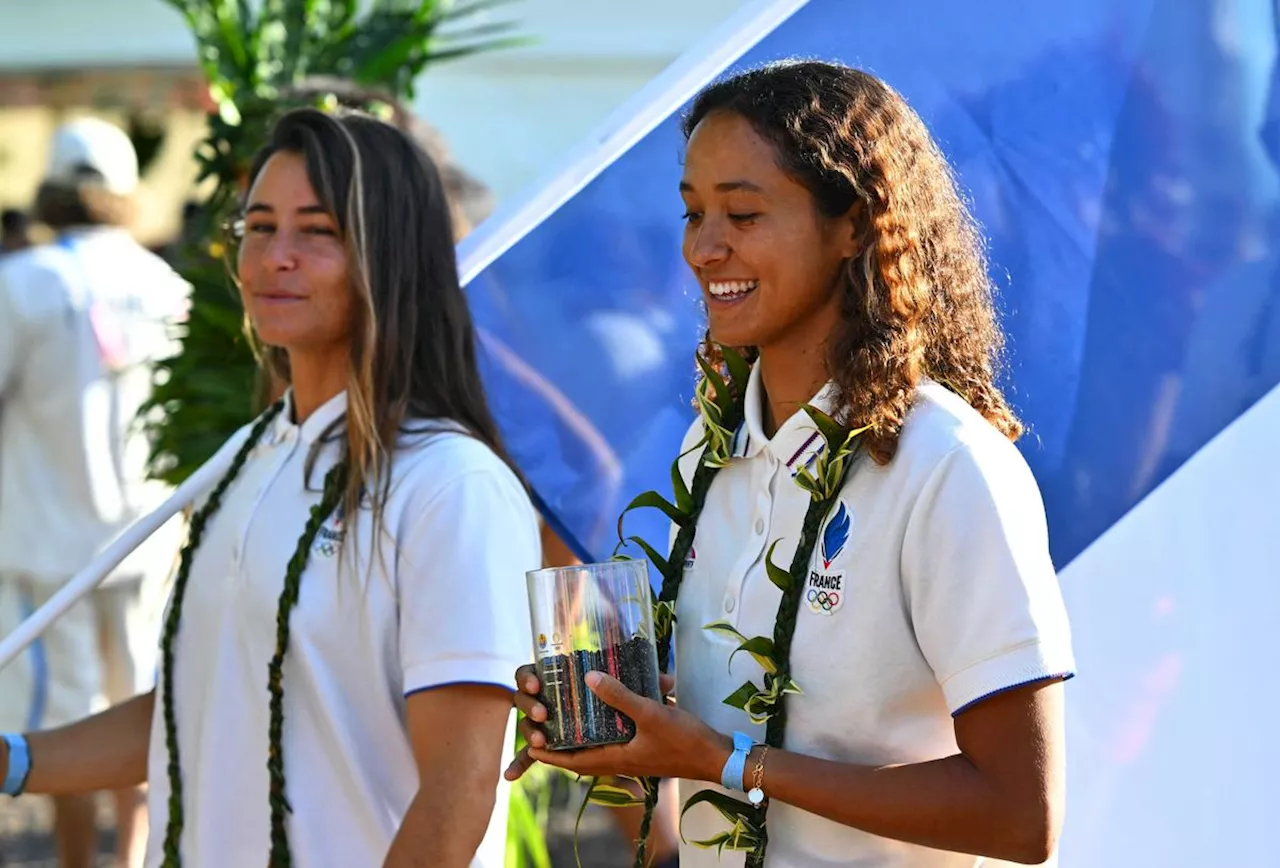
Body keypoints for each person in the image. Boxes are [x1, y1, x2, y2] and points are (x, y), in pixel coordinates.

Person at [507, 60, 1075, 868]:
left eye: (742, 212)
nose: (704, 249)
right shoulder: (711, 445)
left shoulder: (947, 466)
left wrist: (724, 761)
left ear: (853, 225)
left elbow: (1023, 818)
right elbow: (729, 733)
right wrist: (622, 719)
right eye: (692, 213)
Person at [0, 107, 539, 868]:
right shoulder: (252, 454)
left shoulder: (452, 487)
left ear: (389, 255)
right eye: (259, 227)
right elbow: (200, 705)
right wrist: (14, 760)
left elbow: (460, 789)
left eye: (316, 232)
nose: (273, 257)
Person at [0, 117, 189, 868]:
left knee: (61, 726)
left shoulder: (22, 284)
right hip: (150, 542)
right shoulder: (165, 283)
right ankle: (134, 860)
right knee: (142, 709)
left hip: (49, 554)